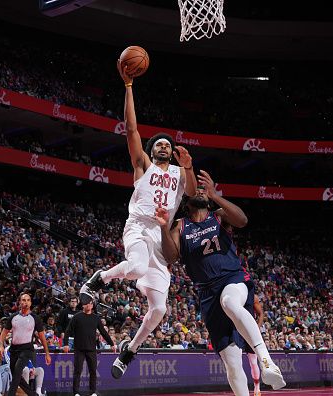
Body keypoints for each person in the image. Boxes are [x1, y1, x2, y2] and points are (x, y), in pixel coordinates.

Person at [79, 60, 198, 379]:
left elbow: (193, 193)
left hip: (161, 241)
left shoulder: (177, 172)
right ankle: (97, 280)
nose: (164, 146)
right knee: (136, 266)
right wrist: (129, 87)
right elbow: (131, 130)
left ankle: (129, 349)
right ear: (150, 149)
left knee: (159, 309)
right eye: (159, 143)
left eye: (168, 145)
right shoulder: (142, 166)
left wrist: (188, 166)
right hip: (138, 228)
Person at [158, 172, 286, 395]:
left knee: (229, 301)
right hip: (207, 293)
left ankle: (267, 361)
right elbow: (171, 257)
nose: (199, 190)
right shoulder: (180, 226)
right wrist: (162, 227)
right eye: (195, 189)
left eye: (202, 189)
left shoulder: (218, 215)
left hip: (232, 278)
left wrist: (215, 195)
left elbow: (243, 220)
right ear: (186, 198)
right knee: (232, 361)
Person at [0, 292, 52, 396]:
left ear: (31, 303)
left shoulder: (35, 318)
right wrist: (1, 345)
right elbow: (4, 333)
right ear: (19, 302)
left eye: (28, 300)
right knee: (17, 376)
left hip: (27, 349)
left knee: (18, 371)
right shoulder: (13, 317)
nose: (26, 302)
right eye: (23, 300)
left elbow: (42, 337)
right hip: (14, 349)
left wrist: (47, 353)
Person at [63, 298, 116, 396]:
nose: (89, 305)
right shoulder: (76, 317)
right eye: (87, 303)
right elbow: (68, 331)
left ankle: (92, 392)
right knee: (77, 371)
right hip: (79, 349)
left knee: (93, 371)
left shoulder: (96, 318)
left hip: (92, 349)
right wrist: (65, 344)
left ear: (92, 305)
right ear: (83, 305)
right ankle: (76, 393)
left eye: (91, 304)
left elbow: (103, 332)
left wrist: (112, 344)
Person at [245, 294, 265, 396]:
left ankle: (257, 387)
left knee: (253, 362)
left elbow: (261, 313)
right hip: (236, 330)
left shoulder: (253, 297)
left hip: (250, 330)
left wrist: (257, 327)